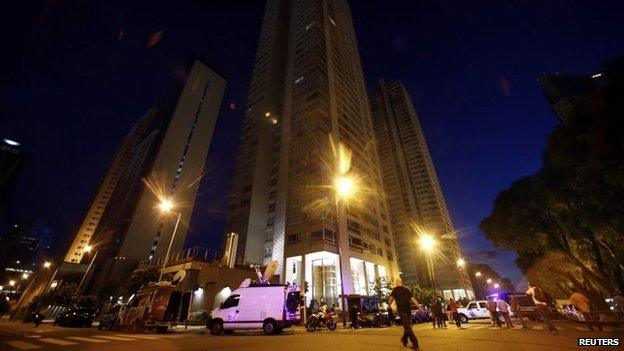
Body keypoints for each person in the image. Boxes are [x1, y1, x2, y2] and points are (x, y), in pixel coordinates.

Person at [389, 278, 421, 350]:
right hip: (408, 310)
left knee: (408, 327)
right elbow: (413, 299)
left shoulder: (395, 289)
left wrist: (389, 304)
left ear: (396, 283)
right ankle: (404, 340)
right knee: (408, 326)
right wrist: (419, 307)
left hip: (402, 310)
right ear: (401, 282)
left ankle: (415, 343)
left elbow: (391, 299)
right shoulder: (407, 289)